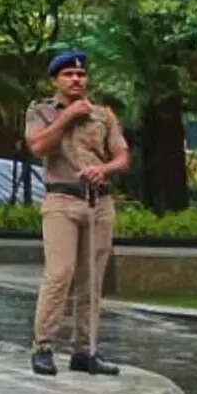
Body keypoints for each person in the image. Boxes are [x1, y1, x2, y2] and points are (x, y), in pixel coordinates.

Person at [24, 50, 130, 376]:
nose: (76, 80)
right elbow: (37, 147)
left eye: (81, 75)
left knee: (92, 279)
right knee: (59, 275)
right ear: (55, 80)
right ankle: (43, 346)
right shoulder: (40, 111)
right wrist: (68, 116)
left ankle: (86, 350)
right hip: (61, 201)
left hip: (98, 202)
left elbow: (122, 156)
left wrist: (104, 169)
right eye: (68, 74)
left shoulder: (103, 114)